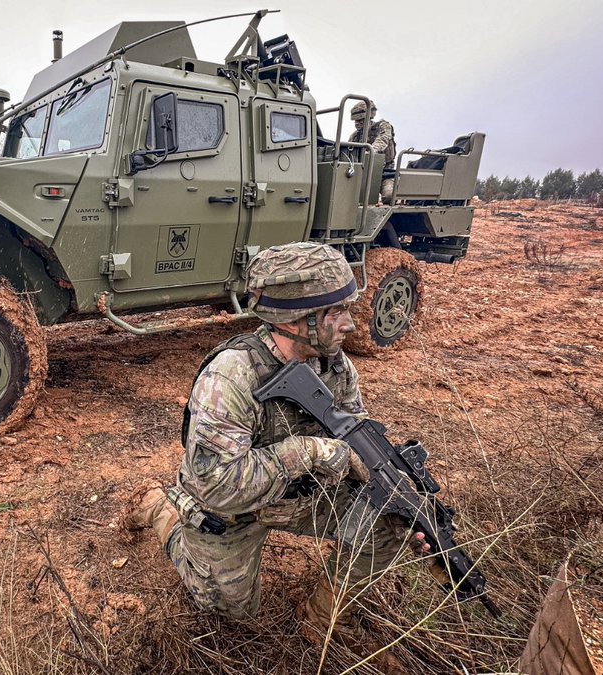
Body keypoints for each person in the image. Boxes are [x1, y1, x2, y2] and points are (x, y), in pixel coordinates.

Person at [125, 242, 432, 659]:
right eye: (336, 312)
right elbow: (218, 486)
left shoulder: (334, 364)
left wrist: (391, 491)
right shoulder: (230, 377)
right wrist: (310, 453)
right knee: (230, 610)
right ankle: (161, 509)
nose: (351, 326)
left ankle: (324, 616)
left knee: (392, 522)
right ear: (298, 320)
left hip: (302, 495)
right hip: (235, 508)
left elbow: (352, 428)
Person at [350, 100, 396, 204]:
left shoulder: (383, 126)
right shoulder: (355, 136)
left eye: (360, 120)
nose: (357, 123)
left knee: (389, 196)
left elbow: (382, 140)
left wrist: (371, 151)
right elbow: (348, 150)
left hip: (385, 172)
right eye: (355, 121)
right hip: (363, 173)